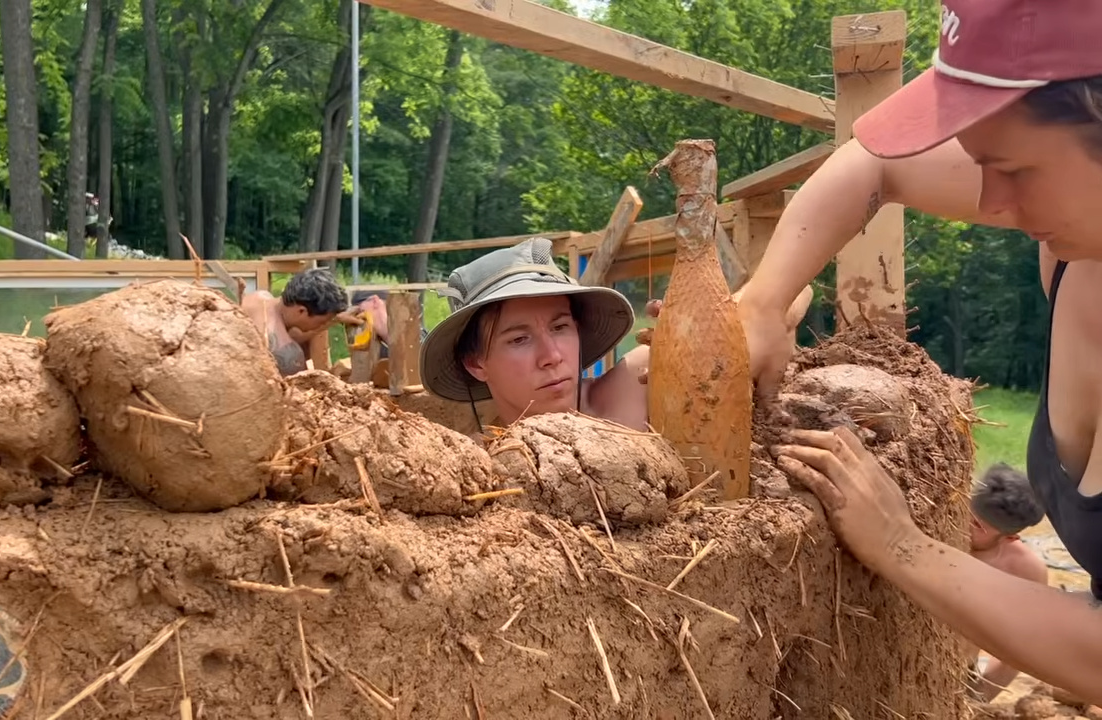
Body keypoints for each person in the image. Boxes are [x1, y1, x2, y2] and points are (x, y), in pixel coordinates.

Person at [739, 0, 1102, 704]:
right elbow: (876, 166)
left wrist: (902, 547)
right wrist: (760, 302)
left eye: (1014, 169)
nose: (992, 203)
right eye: (979, 164)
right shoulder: (1075, 246)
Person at [420, 236, 810, 432]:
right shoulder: (476, 470)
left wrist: (701, 329)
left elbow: (794, 294)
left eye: (560, 327)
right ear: (476, 363)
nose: (551, 355)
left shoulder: (636, 384)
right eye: (519, 339)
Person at [966, 463, 1049, 701]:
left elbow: (1020, 650)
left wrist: (975, 701)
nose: (962, 522)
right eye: (966, 510)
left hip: (956, 674)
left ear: (1009, 536)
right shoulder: (937, 526)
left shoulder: (1024, 572)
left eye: (977, 526)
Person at [241, 267, 348, 376]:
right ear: (302, 311)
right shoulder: (288, 355)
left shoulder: (259, 297)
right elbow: (302, 391)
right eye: (322, 322)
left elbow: (292, 334)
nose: (322, 325)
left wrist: (335, 319)